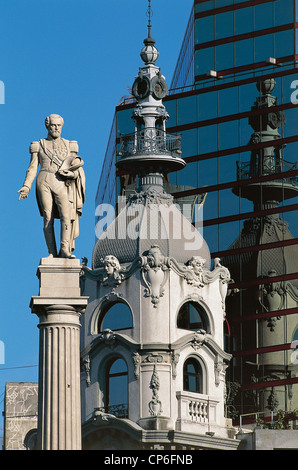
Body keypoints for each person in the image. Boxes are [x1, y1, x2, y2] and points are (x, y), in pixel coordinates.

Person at [18, 114, 85, 258]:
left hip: (62, 181)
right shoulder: (39, 144)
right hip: (44, 179)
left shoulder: (70, 144)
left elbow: (76, 168)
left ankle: (65, 249)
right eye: (53, 125)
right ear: (47, 126)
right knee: (47, 217)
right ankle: (51, 252)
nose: (56, 128)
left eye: (58, 125)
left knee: (66, 215)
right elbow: (32, 167)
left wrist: (72, 175)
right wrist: (26, 186)